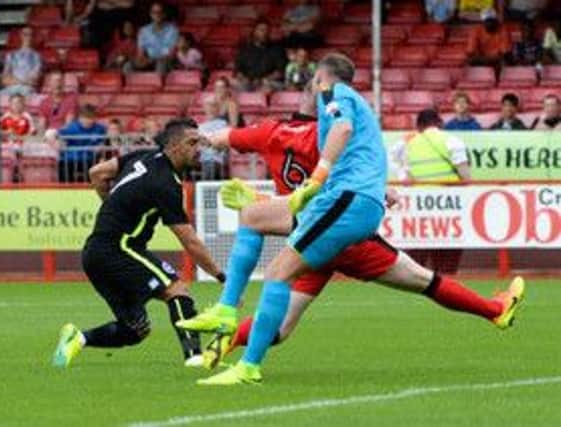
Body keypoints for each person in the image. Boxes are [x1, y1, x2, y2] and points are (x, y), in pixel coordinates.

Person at [178, 81, 524, 379]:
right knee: (424, 280)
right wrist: (381, 191)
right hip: (342, 235)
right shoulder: (326, 137)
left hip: (305, 238)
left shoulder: (267, 131)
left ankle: (229, 337)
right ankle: (495, 311)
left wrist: (192, 139)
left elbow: (217, 139)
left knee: (281, 323)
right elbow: (346, 179)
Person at [191, 53, 389, 385]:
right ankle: (227, 313)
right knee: (253, 216)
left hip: (345, 201)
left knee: (278, 272)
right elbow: (359, 149)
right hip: (348, 199)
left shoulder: (333, 93)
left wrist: (317, 178)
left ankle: (248, 365)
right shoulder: (356, 101)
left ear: (318, 78)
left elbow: (341, 129)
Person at [52, 118, 226, 369]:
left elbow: (97, 173)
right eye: (192, 143)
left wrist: (112, 205)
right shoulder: (166, 183)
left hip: (94, 253)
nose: (198, 148)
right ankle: (195, 357)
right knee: (176, 290)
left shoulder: (143, 157)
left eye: (199, 142)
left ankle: (77, 339)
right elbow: (189, 239)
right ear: (174, 146)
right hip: (119, 247)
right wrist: (221, 276)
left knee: (135, 329)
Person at [390, 109, 470, 274]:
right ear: (440, 123)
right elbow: (465, 177)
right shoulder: (452, 141)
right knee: (447, 263)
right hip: (449, 208)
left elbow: (391, 157)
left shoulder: (407, 143)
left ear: (418, 126)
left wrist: (404, 176)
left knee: (417, 261)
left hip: (419, 210)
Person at [57, 104, 107, 182]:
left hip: (90, 159)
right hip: (70, 159)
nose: (88, 121)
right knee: (63, 169)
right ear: (80, 118)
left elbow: (105, 141)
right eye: (85, 118)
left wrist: (101, 146)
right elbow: (59, 137)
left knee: (95, 172)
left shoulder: (100, 129)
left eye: (91, 118)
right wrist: (59, 144)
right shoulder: (71, 127)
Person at [235, 20, 287, 92]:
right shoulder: (245, 50)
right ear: (254, 31)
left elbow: (281, 72)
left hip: (268, 82)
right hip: (248, 83)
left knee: (267, 88)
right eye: (261, 30)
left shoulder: (277, 49)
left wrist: (263, 79)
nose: (264, 33)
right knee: (231, 85)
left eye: (267, 30)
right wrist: (245, 79)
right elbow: (238, 71)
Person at [133, 2, 179, 75]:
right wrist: (141, 59)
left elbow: (172, 54)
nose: (157, 15)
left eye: (159, 12)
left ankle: (159, 85)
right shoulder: (143, 30)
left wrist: (153, 60)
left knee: (161, 65)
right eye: (154, 12)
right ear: (150, 14)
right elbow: (140, 52)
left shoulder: (172, 30)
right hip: (148, 60)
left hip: (166, 60)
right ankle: (133, 86)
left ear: (164, 14)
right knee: (128, 66)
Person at [0, 27, 42, 97]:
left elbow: (34, 79)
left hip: (27, 88)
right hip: (12, 87)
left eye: (30, 34)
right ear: (21, 36)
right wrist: (21, 82)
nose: (28, 37)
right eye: (25, 34)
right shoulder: (11, 55)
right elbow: (5, 79)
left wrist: (17, 81)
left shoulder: (36, 56)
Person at [198, 96, 228, 180]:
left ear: (217, 108)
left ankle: (204, 190)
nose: (210, 108)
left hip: (215, 159)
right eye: (208, 105)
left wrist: (205, 141)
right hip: (201, 158)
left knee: (210, 164)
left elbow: (219, 142)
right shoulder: (200, 126)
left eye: (213, 105)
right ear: (204, 107)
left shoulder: (222, 124)